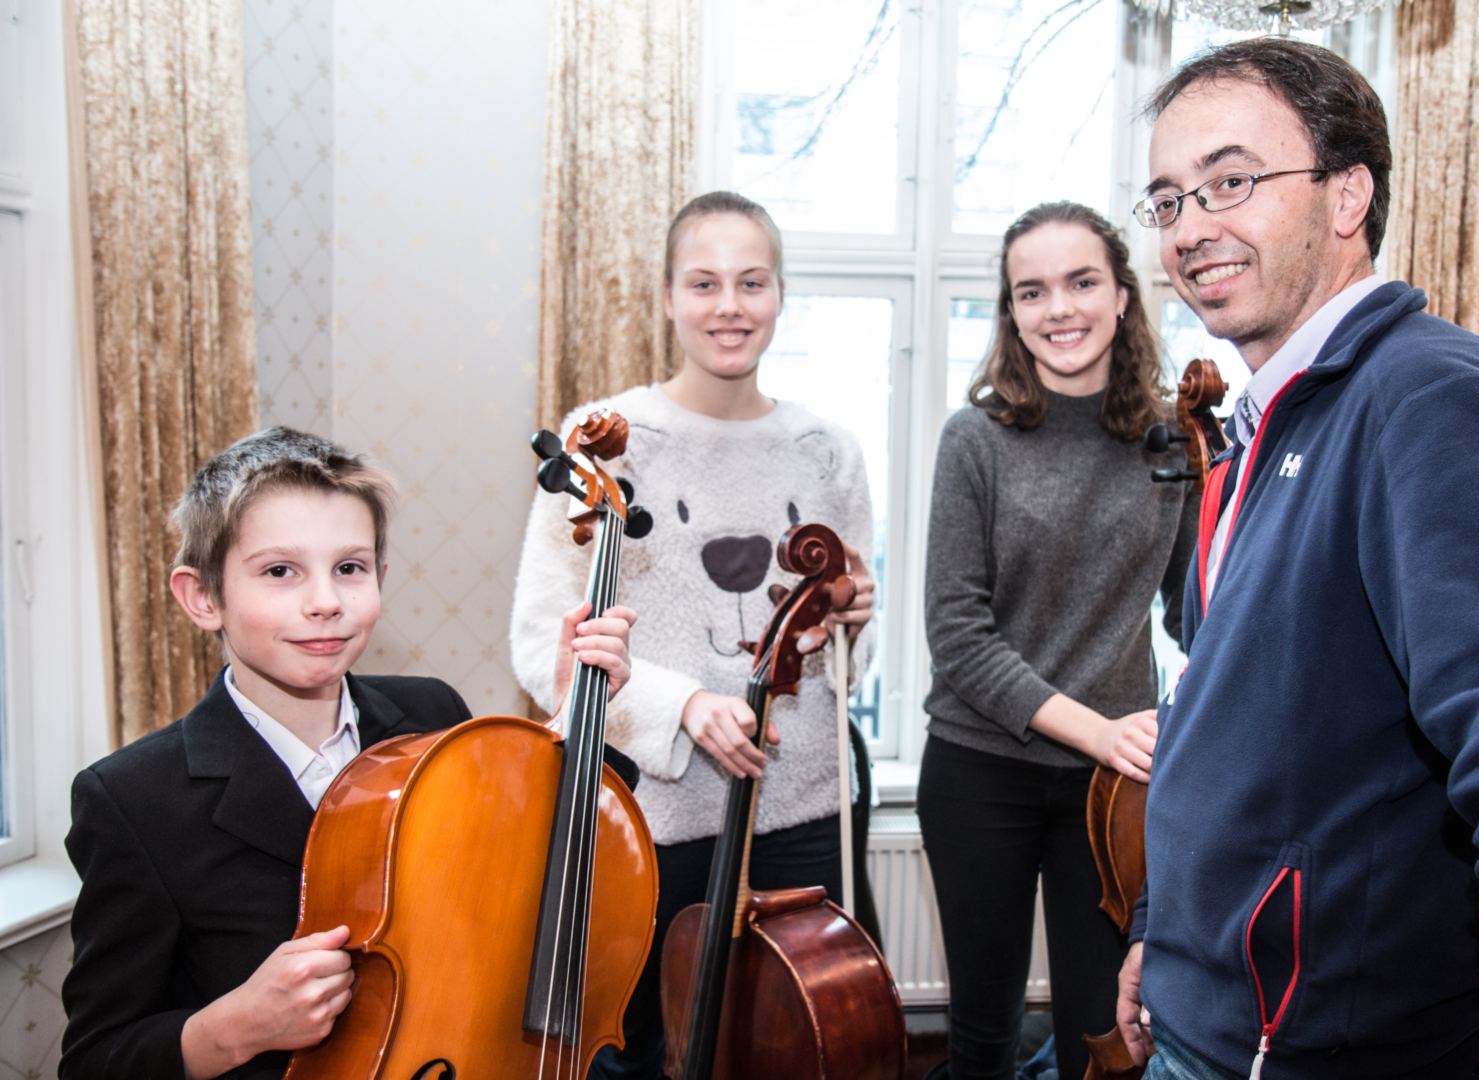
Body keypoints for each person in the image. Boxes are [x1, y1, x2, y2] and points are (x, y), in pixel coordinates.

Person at [1114, 38, 1479, 1080]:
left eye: (1231, 183)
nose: (1192, 228)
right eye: (1168, 201)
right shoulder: (1256, 430)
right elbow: (1216, 719)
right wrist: (1161, 931)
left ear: (1349, 196)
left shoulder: (1429, 398)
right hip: (1203, 1025)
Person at [59, 427, 637, 1080]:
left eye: (349, 568)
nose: (326, 602)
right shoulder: (133, 800)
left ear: (379, 577)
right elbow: (94, 1060)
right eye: (280, 571)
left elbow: (523, 882)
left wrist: (567, 720)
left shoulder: (432, 717)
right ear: (202, 597)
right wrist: (233, 1027)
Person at [509, 190, 876, 1079]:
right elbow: (540, 649)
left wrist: (853, 621)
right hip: (646, 806)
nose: (730, 307)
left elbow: (852, 658)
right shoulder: (607, 444)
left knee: (790, 1040)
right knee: (642, 1043)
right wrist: (683, 707)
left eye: (752, 283)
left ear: (781, 294)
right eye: (705, 283)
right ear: (669, 296)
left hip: (802, 801)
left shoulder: (827, 450)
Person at [919, 200, 1198, 1080]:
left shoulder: (1175, 442)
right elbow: (958, 636)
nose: (1059, 308)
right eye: (1031, 291)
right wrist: (1101, 729)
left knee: (1104, 1031)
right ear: (1011, 314)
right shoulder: (977, 440)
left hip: (1111, 794)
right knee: (983, 1032)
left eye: (1081, 282)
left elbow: (1197, 614)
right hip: (979, 770)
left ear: (1122, 294)